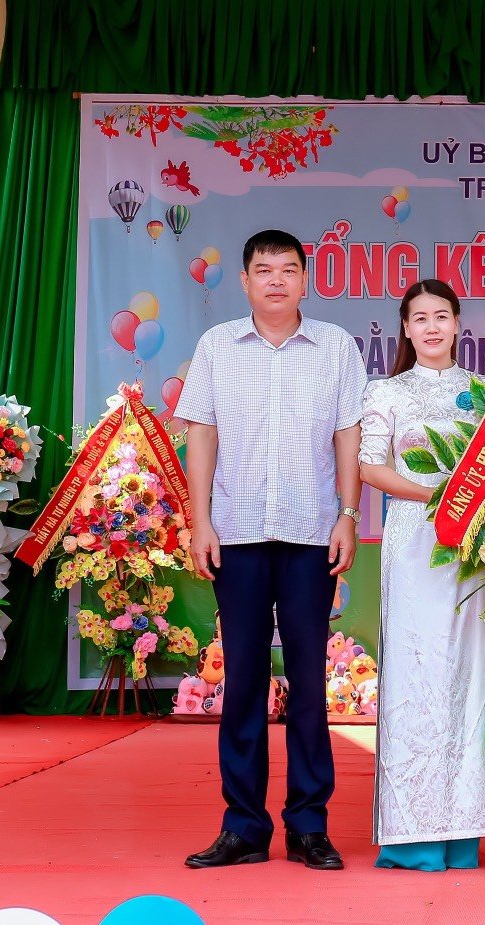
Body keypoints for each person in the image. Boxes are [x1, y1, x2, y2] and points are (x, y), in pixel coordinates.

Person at [179, 229, 366, 871]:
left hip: (312, 531)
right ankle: (244, 827)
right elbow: (201, 432)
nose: (277, 280)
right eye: (265, 270)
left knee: (311, 685)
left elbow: (350, 433)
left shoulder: (336, 347)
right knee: (243, 683)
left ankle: (309, 825)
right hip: (238, 532)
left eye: (289, 269)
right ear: (245, 280)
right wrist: (200, 521)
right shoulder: (217, 347)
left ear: (306, 278)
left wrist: (348, 514)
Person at [358, 279, 485, 871]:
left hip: (476, 549)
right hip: (416, 541)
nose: (431, 328)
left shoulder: (483, 394)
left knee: (472, 673)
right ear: (405, 328)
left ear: (457, 324)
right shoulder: (386, 393)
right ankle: (413, 836)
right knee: (418, 675)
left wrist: (473, 509)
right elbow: (371, 467)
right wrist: (436, 494)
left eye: (441, 316)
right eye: (419, 318)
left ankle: (464, 831)